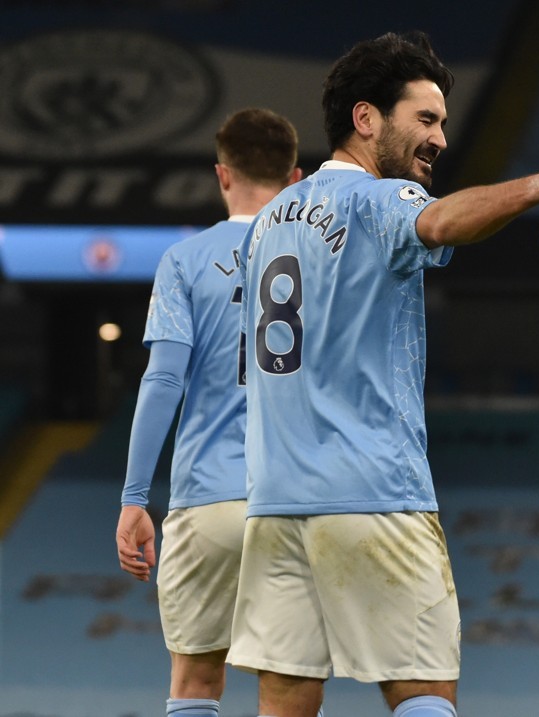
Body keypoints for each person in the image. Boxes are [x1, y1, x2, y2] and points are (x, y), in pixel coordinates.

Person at [225, 31, 539, 717]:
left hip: (275, 498)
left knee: (282, 698)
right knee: (423, 692)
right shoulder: (377, 201)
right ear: (367, 118)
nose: (441, 140)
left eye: (444, 123)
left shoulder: (269, 220)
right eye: (425, 119)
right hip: (371, 490)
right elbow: (440, 221)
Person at [116, 108, 301, 717]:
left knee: (195, 682)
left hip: (209, 497)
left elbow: (164, 377)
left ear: (223, 175)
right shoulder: (325, 260)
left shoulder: (185, 261)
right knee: (290, 686)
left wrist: (135, 498)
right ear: (296, 176)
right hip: (298, 498)